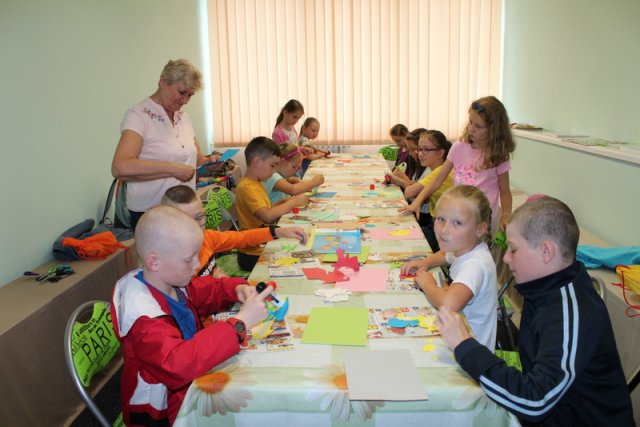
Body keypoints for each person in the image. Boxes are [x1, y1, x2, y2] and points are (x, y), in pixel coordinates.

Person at [436, 196, 635, 426]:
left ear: (546, 251)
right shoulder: (541, 287)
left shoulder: (570, 312)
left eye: (513, 249)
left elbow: (535, 401)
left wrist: (465, 345)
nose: (506, 258)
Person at [110, 205, 273, 426]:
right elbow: (178, 364)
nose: (197, 265)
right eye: (189, 260)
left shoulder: (168, 281)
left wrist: (236, 289)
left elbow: (207, 290)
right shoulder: (143, 320)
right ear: (154, 262)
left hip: (188, 387)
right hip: (164, 413)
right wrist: (240, 323)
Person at [111, 59, 210, 230]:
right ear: (163, 81)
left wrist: (210, 164)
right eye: (182, 92)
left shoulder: (184, 118)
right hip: (152, 214)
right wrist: (173, 169)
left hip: (184, 209)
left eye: (190, 95)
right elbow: (120, 167)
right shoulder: (138, 116)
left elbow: (197, 161)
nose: (185, 100)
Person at [400, 185, 497, 350]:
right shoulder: (464, 247)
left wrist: (428, 284)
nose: (444, 230)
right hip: (457, 336)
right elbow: (445, 256)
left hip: (471, 353)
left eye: (457, 223)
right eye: (441, 219)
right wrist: (427, 262)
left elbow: (448, 304)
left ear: (480, 229)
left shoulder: (476, 265)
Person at [400, 96, 516, 232]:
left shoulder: (498, 155)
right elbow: (437, 180)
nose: (471, 129)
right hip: (459, 215)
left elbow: (505, 191)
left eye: (478, 126)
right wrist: (417, 201)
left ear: (494, 129)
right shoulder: (459, 146)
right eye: (470, 122)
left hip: (482, 220)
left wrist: (506, 216)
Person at [161, 185, 306, 277]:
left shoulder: (207, 237)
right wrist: (219, 283)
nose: (195, 226)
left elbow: (242, 238)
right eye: (186, 220)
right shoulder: (172, 265)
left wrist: (279, 232)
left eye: (199, 217)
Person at [235, 137, 310, 271]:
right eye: (272, 165)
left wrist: (285, 202)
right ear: (257, 162)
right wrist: (293, 201)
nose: (275, 170)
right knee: (302, 260)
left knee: (303, 245)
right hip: (252, 254)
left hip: (263, 244)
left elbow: (266, 210)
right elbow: (267, 216)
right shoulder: (247, 187)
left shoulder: (256, 182)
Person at [403, 130, 454, 252]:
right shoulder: (435, 169)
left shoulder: (440, 171)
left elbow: (408, 192)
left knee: (405, 241)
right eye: (419, 149)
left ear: (440, 152)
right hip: (436, 222)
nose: (420, 154)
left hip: (446, 228)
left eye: (426, 150)